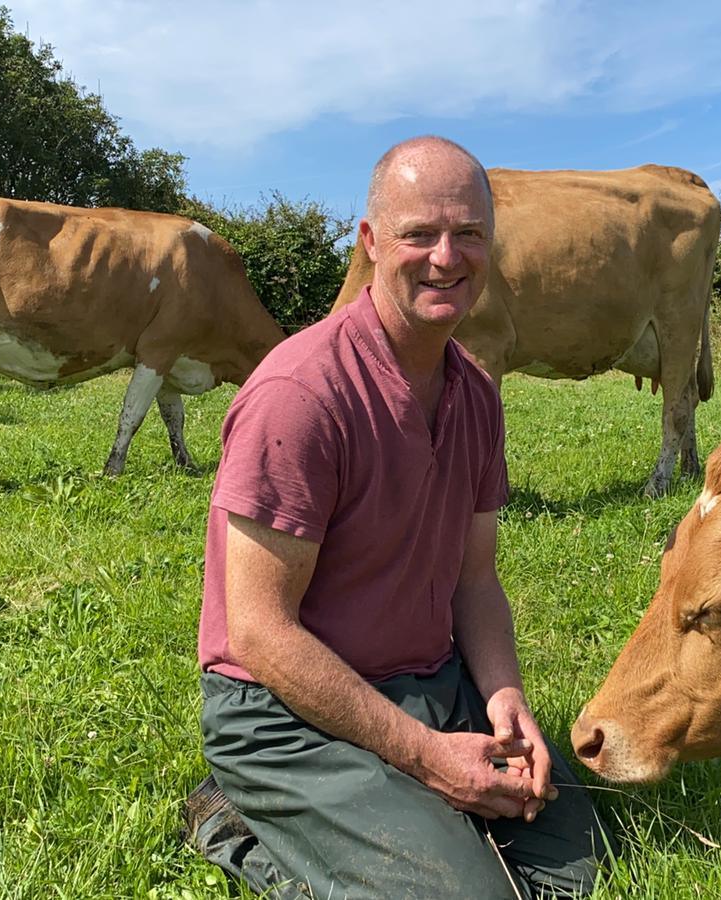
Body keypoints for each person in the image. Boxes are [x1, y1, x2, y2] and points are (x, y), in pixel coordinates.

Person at [187, 135, 612, 899]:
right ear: (372, 242)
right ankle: (235, 818)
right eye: (420, 234)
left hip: (428, 681)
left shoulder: (476, 395)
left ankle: (399, 819)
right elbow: (257, 630)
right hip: (283, 711)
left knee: (571, 871)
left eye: (469, 234)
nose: (447, 257)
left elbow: (474, 582)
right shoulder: (300, 394)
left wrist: (504, 696)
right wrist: (423, 756)